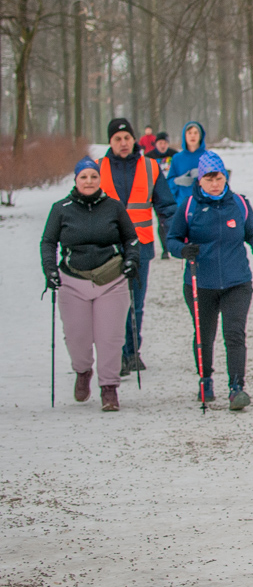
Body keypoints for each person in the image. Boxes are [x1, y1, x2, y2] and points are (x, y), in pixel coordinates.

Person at [166, 151, 253, 411]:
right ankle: (206, 378)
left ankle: (237, 388)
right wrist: (183, 251)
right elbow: (172, 240)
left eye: (219, 178)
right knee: (204, 335)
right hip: (201, 283)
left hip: (237, 281)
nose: (214, 183)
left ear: (225, 178)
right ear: (200, 180)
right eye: (209, 178)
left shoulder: (240, 204)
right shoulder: (189, 207)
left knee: (234, 334)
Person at [40, 157, 142, 412]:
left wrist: (132, 261)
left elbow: (131, 239)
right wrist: (50, 270)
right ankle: (83, 371)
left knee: (110, 337)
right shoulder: (60, 208)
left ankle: (109, 388)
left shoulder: (114, 207)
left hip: (111, 279)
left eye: (93, 177)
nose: (88, 181)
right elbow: (48, 242)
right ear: (75, 180)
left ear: (100, 179)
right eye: (83, 177)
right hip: (72, 281)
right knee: (77, 337)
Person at [99, 118, 176, 374]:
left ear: (135, 140)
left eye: (127, 138)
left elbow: (165, 206)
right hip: (108, 248)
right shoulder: (98, 168)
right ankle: (117, 354)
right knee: (111, 304)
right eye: (117, 139)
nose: (123, 143)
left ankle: (133, 352)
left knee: (136, 302)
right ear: (110, 142)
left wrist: (178, 234)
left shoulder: (151, 167)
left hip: (141, 245)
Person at [145, 133, 175, 259]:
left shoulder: (174, 155)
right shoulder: (149, 157)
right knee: (161, 221)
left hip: (172, 192)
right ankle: (165, 249)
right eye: (160, 143)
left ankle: (173, 245)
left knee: (171, 220)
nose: (163, 146)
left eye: (165, 143)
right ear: (156, 144)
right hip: (155, 193)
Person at [167, 121, 208, 211]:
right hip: (183, 206)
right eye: (189, 133)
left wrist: (205, 172)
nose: (192, 136)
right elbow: (168, 183)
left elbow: (223, 176)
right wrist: (177, 181)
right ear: (184, 136)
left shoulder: (208, 156)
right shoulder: (177, 158)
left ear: (201, 136)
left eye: (195, 133)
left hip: (205, 206)